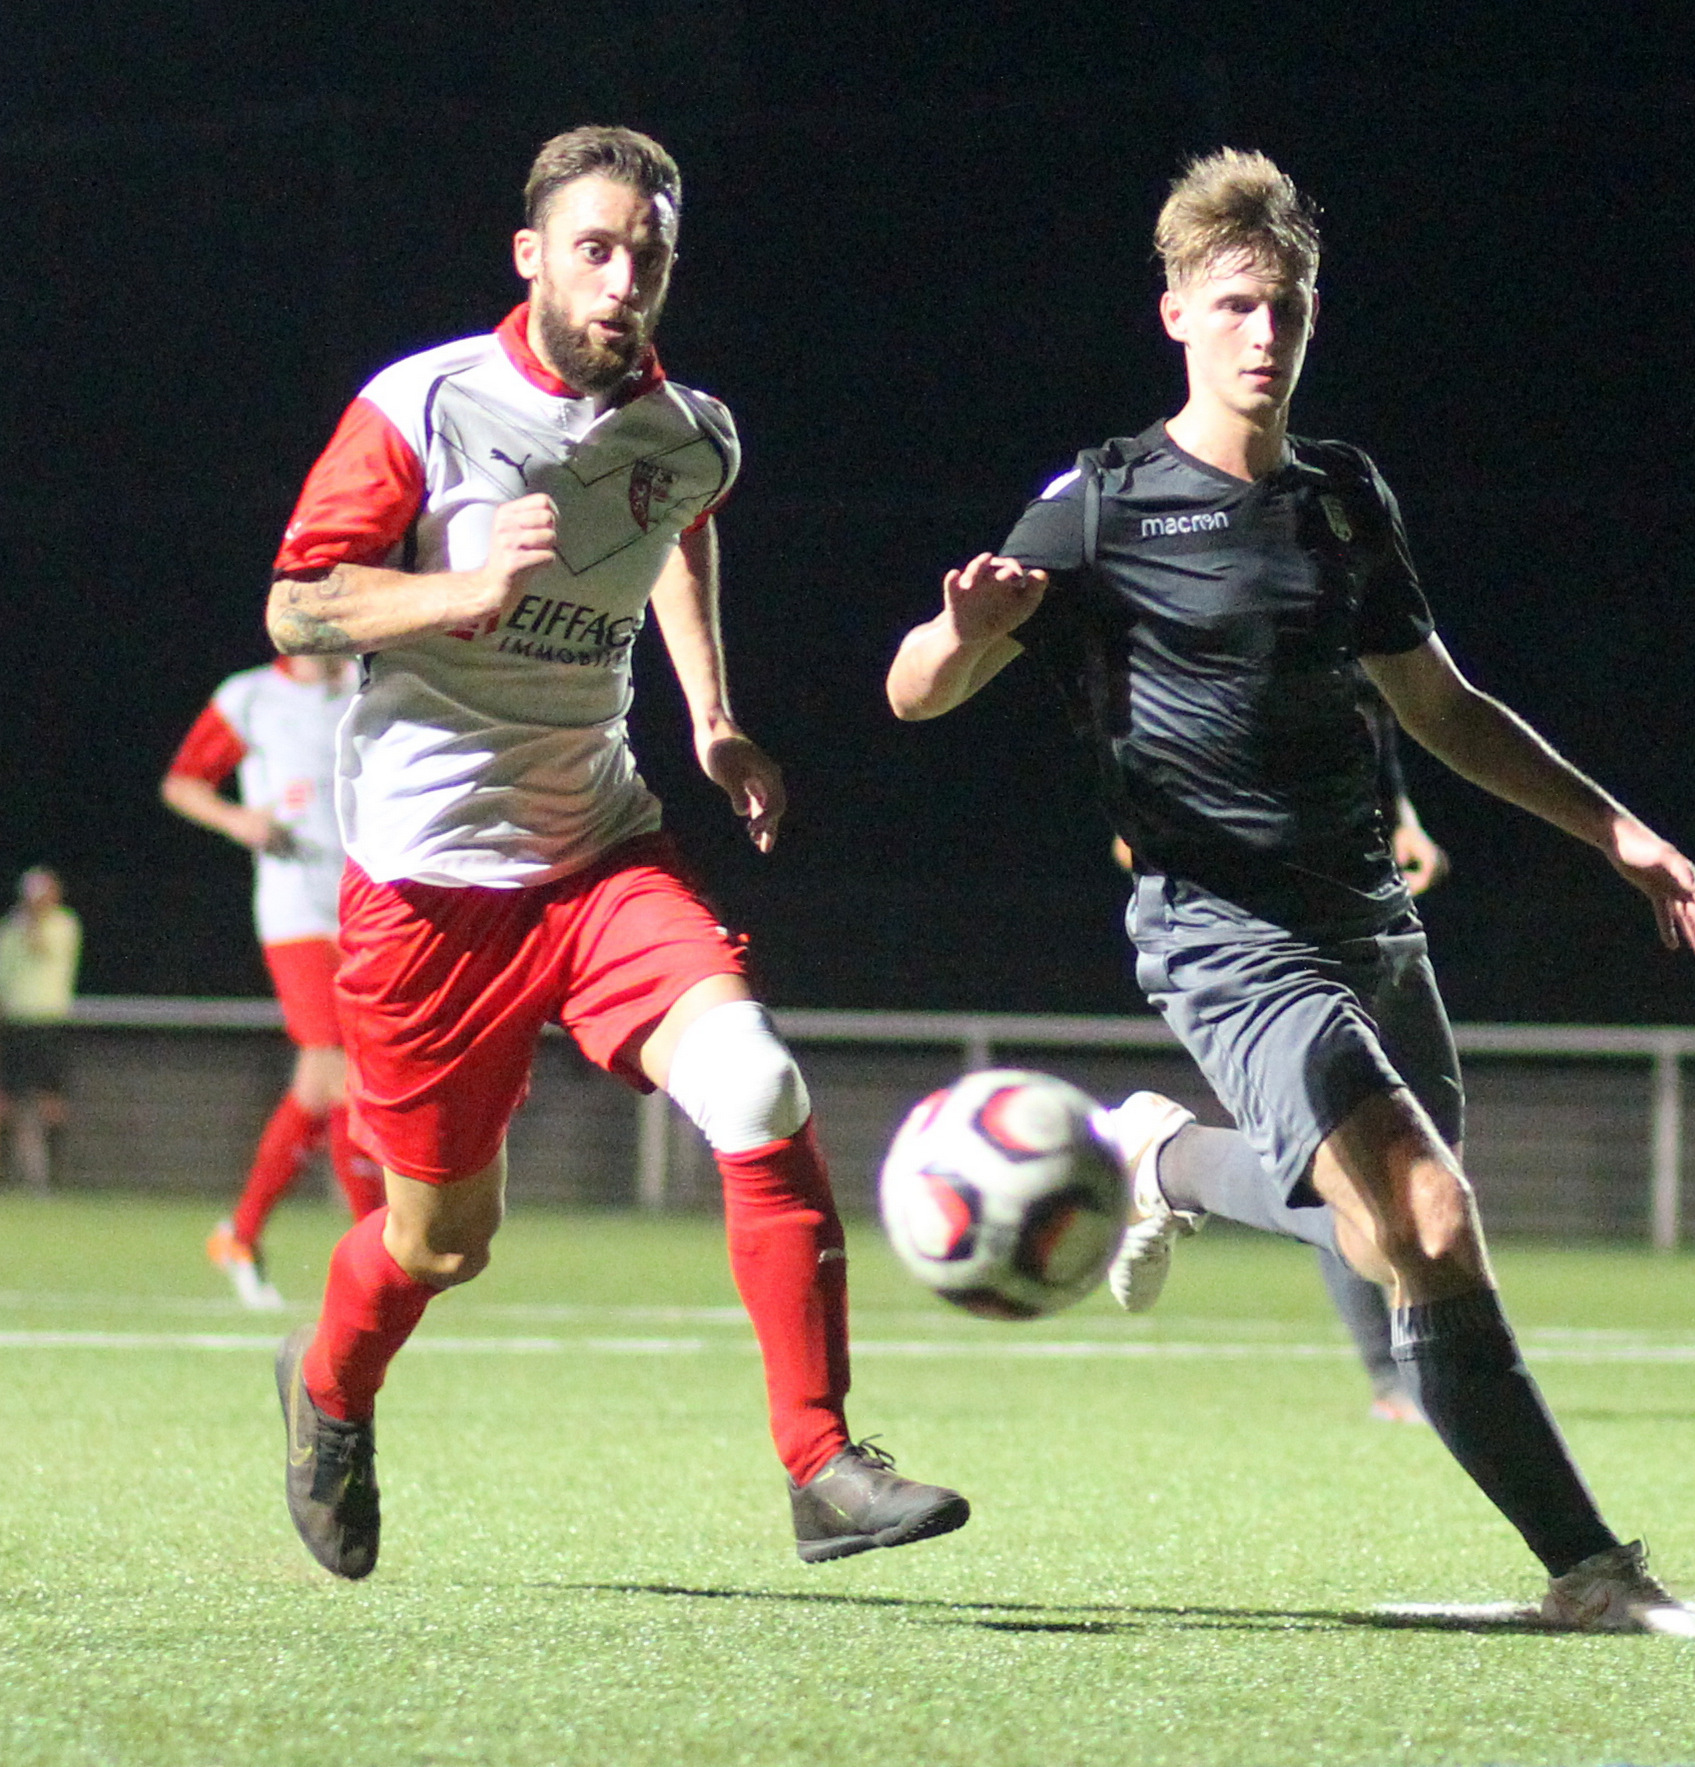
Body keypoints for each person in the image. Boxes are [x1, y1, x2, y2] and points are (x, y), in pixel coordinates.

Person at [887, 150, 1695, 1632]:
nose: (1263, 334)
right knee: (1421, 1205)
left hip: (1371, 922)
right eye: (1234, 305)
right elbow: (911, 693)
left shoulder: (1345, 498)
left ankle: (1163, 1156)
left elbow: (1446, 707)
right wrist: (961, 635)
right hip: (1224, 929)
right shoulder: (1101, 501)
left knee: (1382, 1230)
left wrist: (1616, 831)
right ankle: (1592, 1568)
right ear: (1174, 315)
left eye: (1286, 306)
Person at [260, 125, 964, 1581]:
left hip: (598, 855)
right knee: (442, 1242)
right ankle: (327, 1384)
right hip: (427, 895)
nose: (624, 277)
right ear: (530, 255)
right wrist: (461, 586)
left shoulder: (692, 426)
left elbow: (683, 530)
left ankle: (821, 1461)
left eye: (649, 253)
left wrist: (712, 718)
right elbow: (297, 610)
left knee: (759, 1081)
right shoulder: (424, 404)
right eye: (596, 246)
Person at [1115, 682, 1441, 1424]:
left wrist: (1405, 820)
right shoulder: (1210, 620)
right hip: (1267, 943)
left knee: (1424, 1169)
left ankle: (1168, 1163)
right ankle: (1397, 1378)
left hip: (1366, 914)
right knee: (1355, 1164)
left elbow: (1383, 723)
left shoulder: (1348, 602)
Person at [164, 653, 387, 1308]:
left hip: (366, 907)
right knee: (338, 1068)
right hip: (295, 913)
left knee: (325, 1084)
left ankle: (241, 1233)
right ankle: (373, 1247)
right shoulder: (252, 695)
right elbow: (183, 783)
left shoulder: (371, 684)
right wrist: (241, 821)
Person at [0, 866, 81, 1192]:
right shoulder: (11, 927)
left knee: (51, 1102)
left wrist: (30, 921)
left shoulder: (64, 925)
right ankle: (9, 1179)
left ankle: (53, 1181)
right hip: (15, 1022)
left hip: (49, 1021)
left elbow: (42, 948)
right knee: (6, 1102)